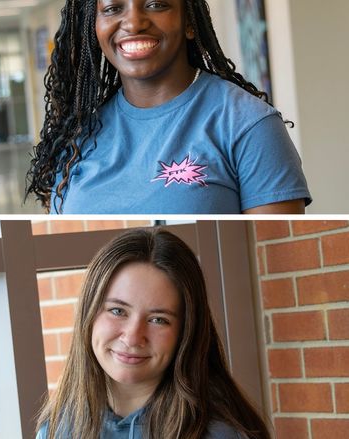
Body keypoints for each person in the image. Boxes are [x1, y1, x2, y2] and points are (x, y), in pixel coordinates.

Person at [25, 0, 310, 214]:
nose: (134, 23)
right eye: (113, 8)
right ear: (93, 27)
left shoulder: (249, 125)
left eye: (157, 4)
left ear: (189, 21)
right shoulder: (77, 138)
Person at [37, 228, 270, 438]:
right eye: (118, 311)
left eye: (158, 320)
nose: (132, 337)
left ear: (186, 332)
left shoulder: (222, 434)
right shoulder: (57, 428)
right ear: (88, 312)